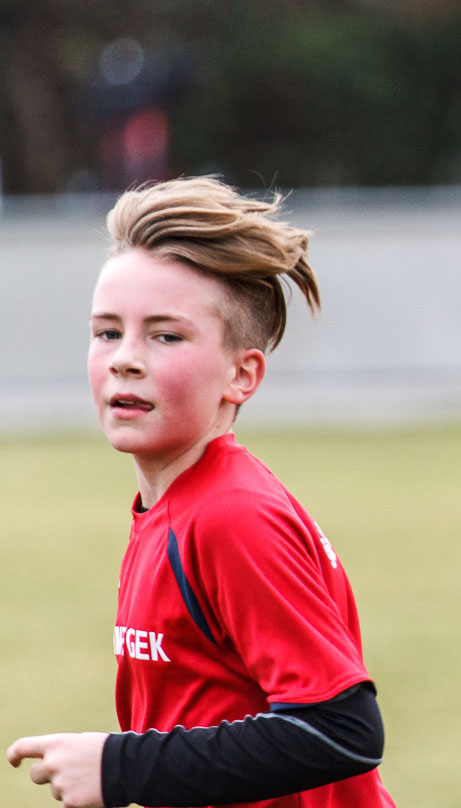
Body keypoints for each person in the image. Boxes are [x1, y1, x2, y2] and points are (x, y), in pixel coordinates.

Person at [7, 177, 395, 808]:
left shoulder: (231, 515)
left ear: (241, 374)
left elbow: (341, 729)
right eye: (107, 332)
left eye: (165, 336)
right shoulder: (170, 506)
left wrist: (119, 767)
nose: (125, 359)